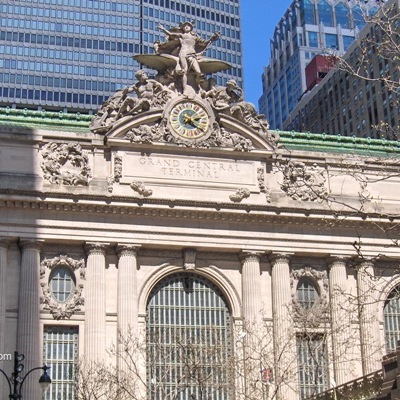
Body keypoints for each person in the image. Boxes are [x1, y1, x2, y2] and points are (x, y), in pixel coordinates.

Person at [157, 21, 220, 92]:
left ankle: (197, 85)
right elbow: (171, 34)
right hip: (183, 54)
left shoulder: (195, 37)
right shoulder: (181, 35)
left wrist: (212, 38)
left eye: (188, 26)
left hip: (192, 54)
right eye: (185, 26)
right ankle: (185, 90)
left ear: (191, 28)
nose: (186, 27)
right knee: (184, 71)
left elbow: (204, 43)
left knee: (198, 72)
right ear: (183, 28)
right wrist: (163, 29)